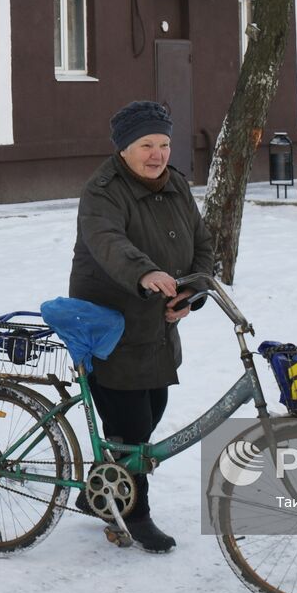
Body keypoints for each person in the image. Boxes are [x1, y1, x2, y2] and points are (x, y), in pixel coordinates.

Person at [68, 100, 215, 553]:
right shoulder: (103, 191)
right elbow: (108, 241)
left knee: (150, 409)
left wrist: (192, 291)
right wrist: (145, 273)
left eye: (165, 144)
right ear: (124, 149)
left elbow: (201, 243)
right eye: (146, 144)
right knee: (132, 427)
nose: (157, 154)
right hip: (110, 323)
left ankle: (103, 491)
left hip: (155, 326)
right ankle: (136, 515)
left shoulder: (175, 186)